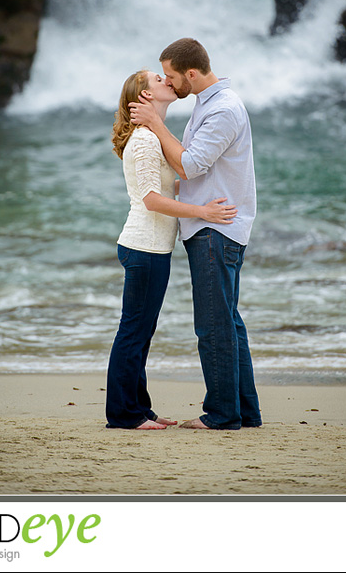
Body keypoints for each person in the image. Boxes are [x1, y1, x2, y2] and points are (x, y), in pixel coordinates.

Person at [129, 38, 262, 430]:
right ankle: (244, 411)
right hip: (215, 227)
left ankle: (222, 415)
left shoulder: (222, 108)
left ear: (191, 73)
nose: (169, 83)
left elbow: (190, 165)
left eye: (171, 75)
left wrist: (155, 123)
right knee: (228, 321)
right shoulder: (209, 104)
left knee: (213, 325)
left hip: (214, 229)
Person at [107, 68, 238, 430]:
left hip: (152, 248)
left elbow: (165, 189)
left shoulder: (152, 136)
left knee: (141, 332)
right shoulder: (147, 141)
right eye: (158, 79)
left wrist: (202, 192)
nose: (167, 80)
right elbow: (151, 200)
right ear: (145, 96)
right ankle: (123, 415)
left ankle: (139, 409)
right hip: (144, 247)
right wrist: (203, 212)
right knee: (133, 332)